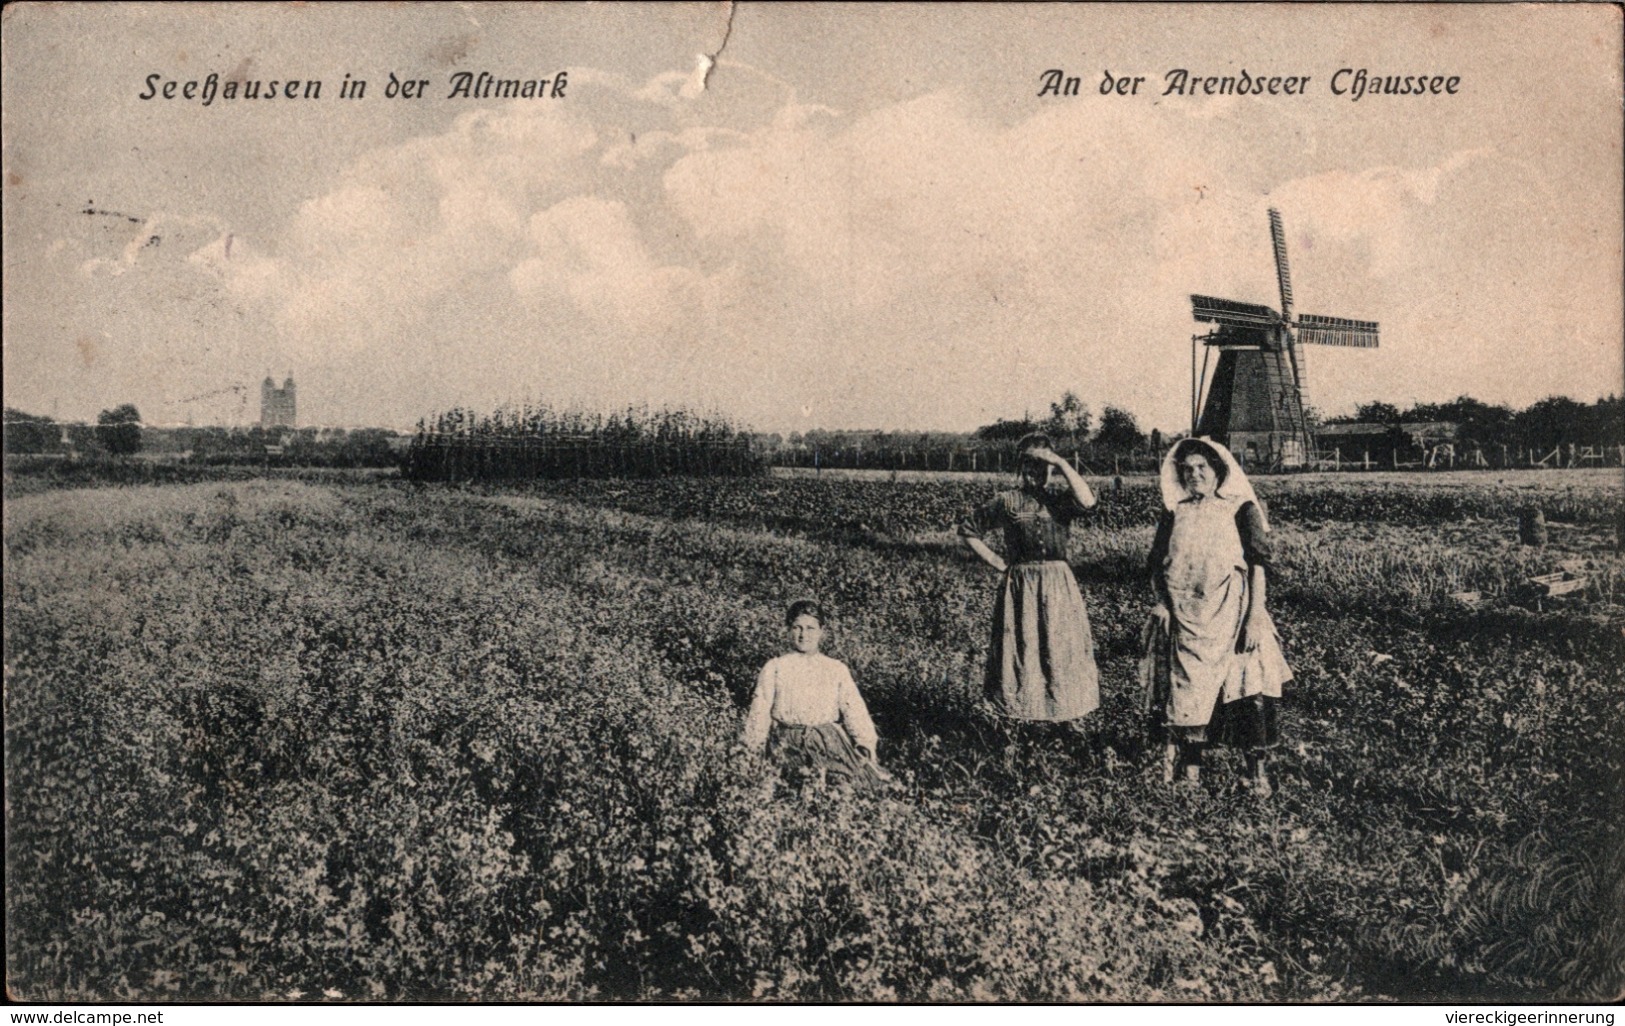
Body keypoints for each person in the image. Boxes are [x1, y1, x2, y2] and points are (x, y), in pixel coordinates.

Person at [1140, 437, 1292, 795]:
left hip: (1234, 612)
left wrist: (1255, 616)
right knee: (1188, 690)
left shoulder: (1241, 509)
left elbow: (1257, 565)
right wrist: (1161, 603)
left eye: (1201, 468)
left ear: (1218, 471)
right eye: (1187, 469)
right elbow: (1156, 566)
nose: (1194, 475)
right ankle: (1191, 775)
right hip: (1187, 614)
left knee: (1246, 686)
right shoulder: (1175, 512)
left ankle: (1255, 776)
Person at [959, 434, 1100, 725]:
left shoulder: (1062, 501)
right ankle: (1022, 717)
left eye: (1042, 466)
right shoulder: (1007, 501)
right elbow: (968, 529)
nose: (1035, 472)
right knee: (1023, 648)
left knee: (1060, 646)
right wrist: (998, 563)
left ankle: (1064, 715)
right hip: (1022, 586)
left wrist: (1060, 462)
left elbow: (1088, 501)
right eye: (1029, 465)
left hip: (1058, 586)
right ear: (1019, 468)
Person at [742, 601, 888, 789]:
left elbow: (854, 709)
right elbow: (759, 711)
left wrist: (864, 742)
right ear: (788, 630)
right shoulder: (775, 667)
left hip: (828, 741)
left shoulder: (835, 669)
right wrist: (752, 750)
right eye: (797, 628)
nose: (804, 635)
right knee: (788, 792)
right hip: (788, 743)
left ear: (821, 631)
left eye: (810, 628)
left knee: (856, 788)